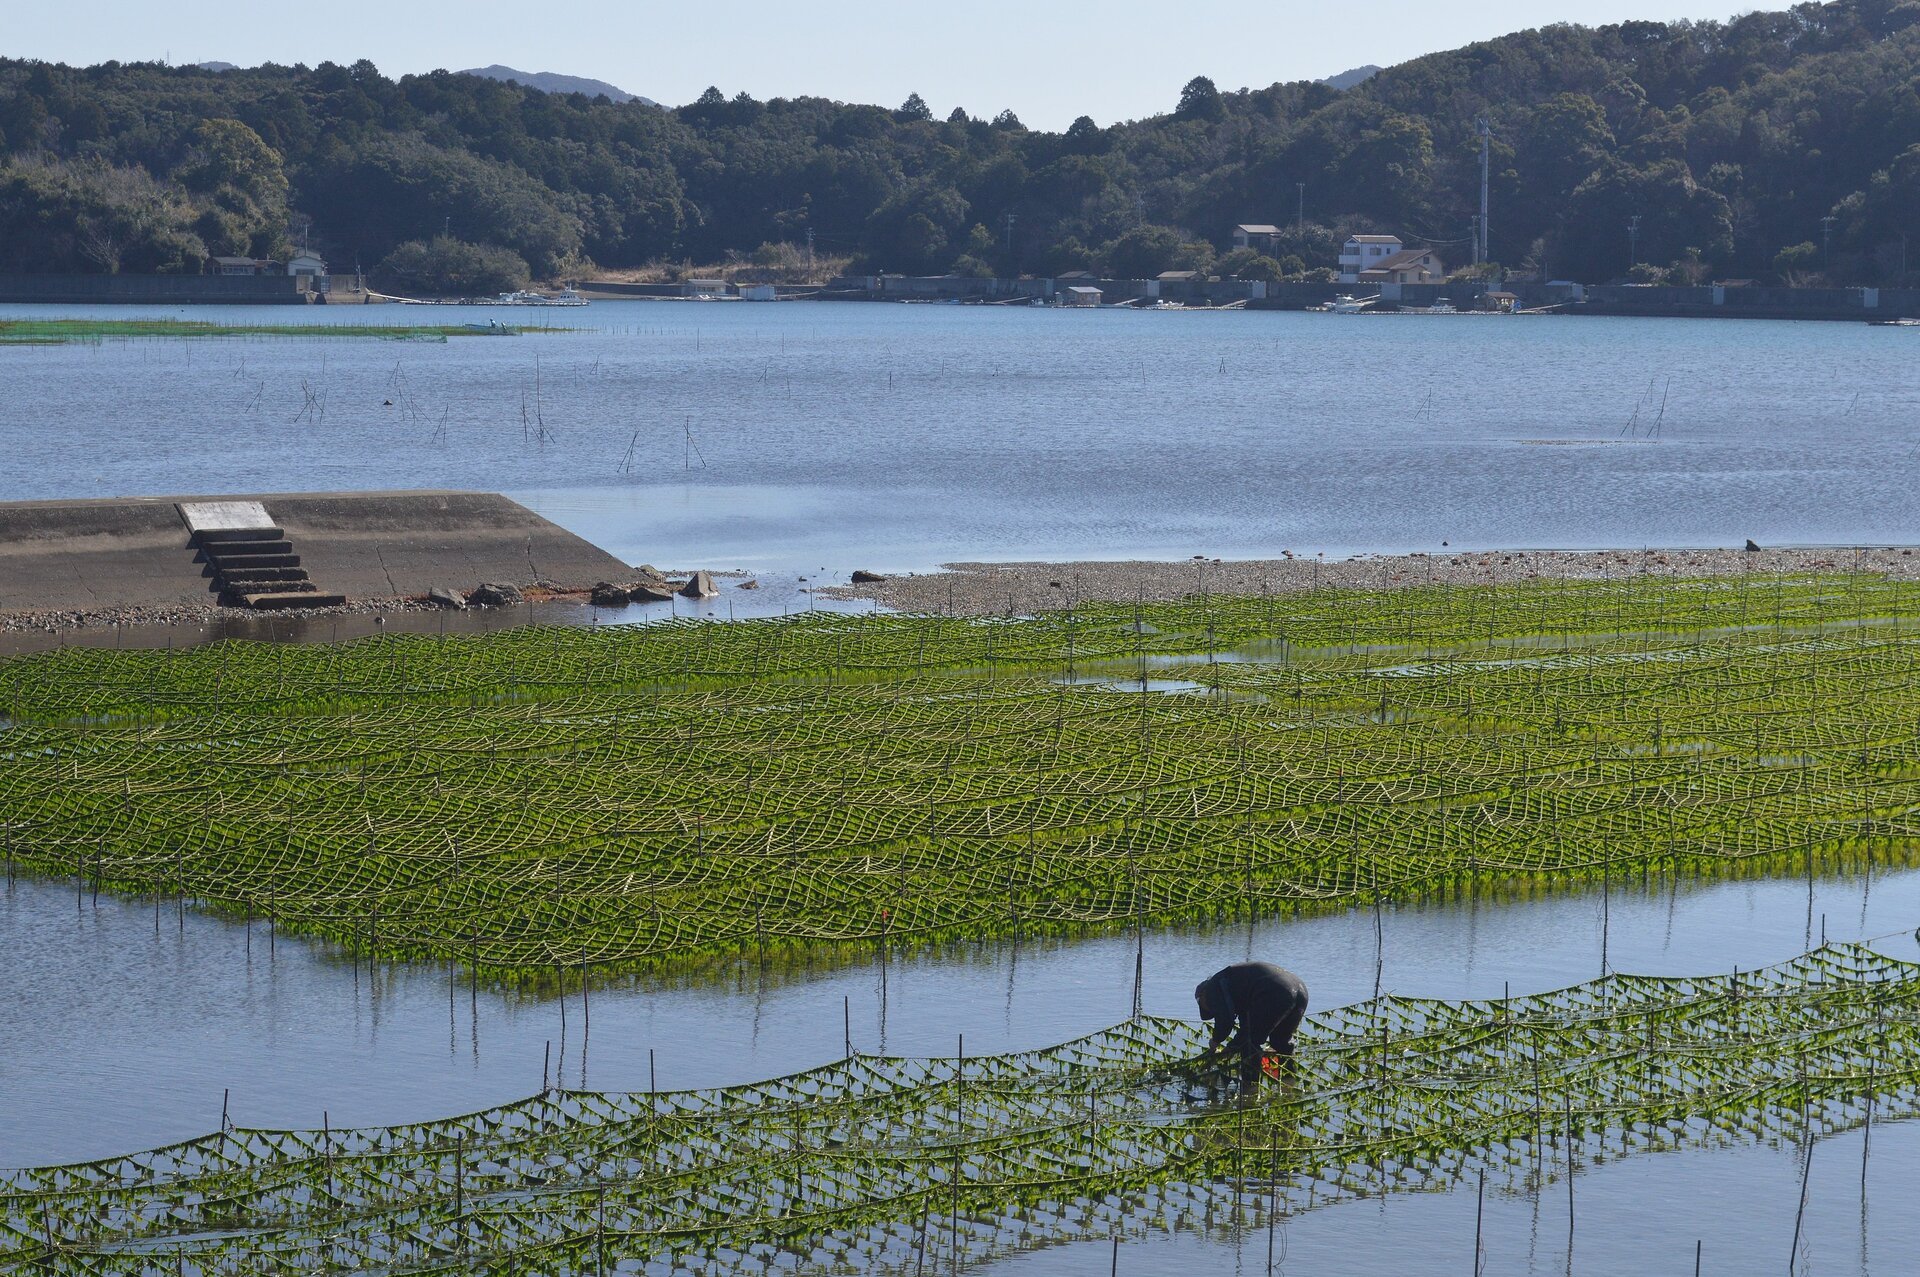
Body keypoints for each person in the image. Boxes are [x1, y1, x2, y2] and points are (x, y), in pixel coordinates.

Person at [1195, 961, 1309, 1082]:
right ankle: (1289, 1083)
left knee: (1249, 1044)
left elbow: (1225, 1020)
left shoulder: (1213, 988)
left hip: (1273, 992)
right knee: (1281, 1041)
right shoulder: (1235, 988)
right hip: (1300, 989)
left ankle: (1251, 1088)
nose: (1211, 1010)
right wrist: (1232, 1046)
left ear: (1202, 995)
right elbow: (1247, 1027)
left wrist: (1215, 1040)